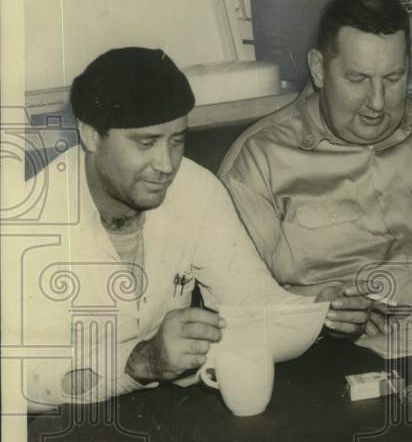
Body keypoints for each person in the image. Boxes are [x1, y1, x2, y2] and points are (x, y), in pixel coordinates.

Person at [19, 49, 335, 411]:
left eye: (176, 140)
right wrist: (139, 362)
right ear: (90, 136)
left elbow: (254, 304)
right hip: (62, 431)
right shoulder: (32, 219)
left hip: (164, 412)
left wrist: (321, 309)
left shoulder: (194, 189)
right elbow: (20, 377)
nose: (166, 165)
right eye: (146, 143)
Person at [219, 0, 412, 336]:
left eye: (394, 78)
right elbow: (233, 305)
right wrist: (315, 315)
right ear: (319, 69)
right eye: (358, 80)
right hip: (333, 359)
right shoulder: (260, 160)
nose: (378, 103)